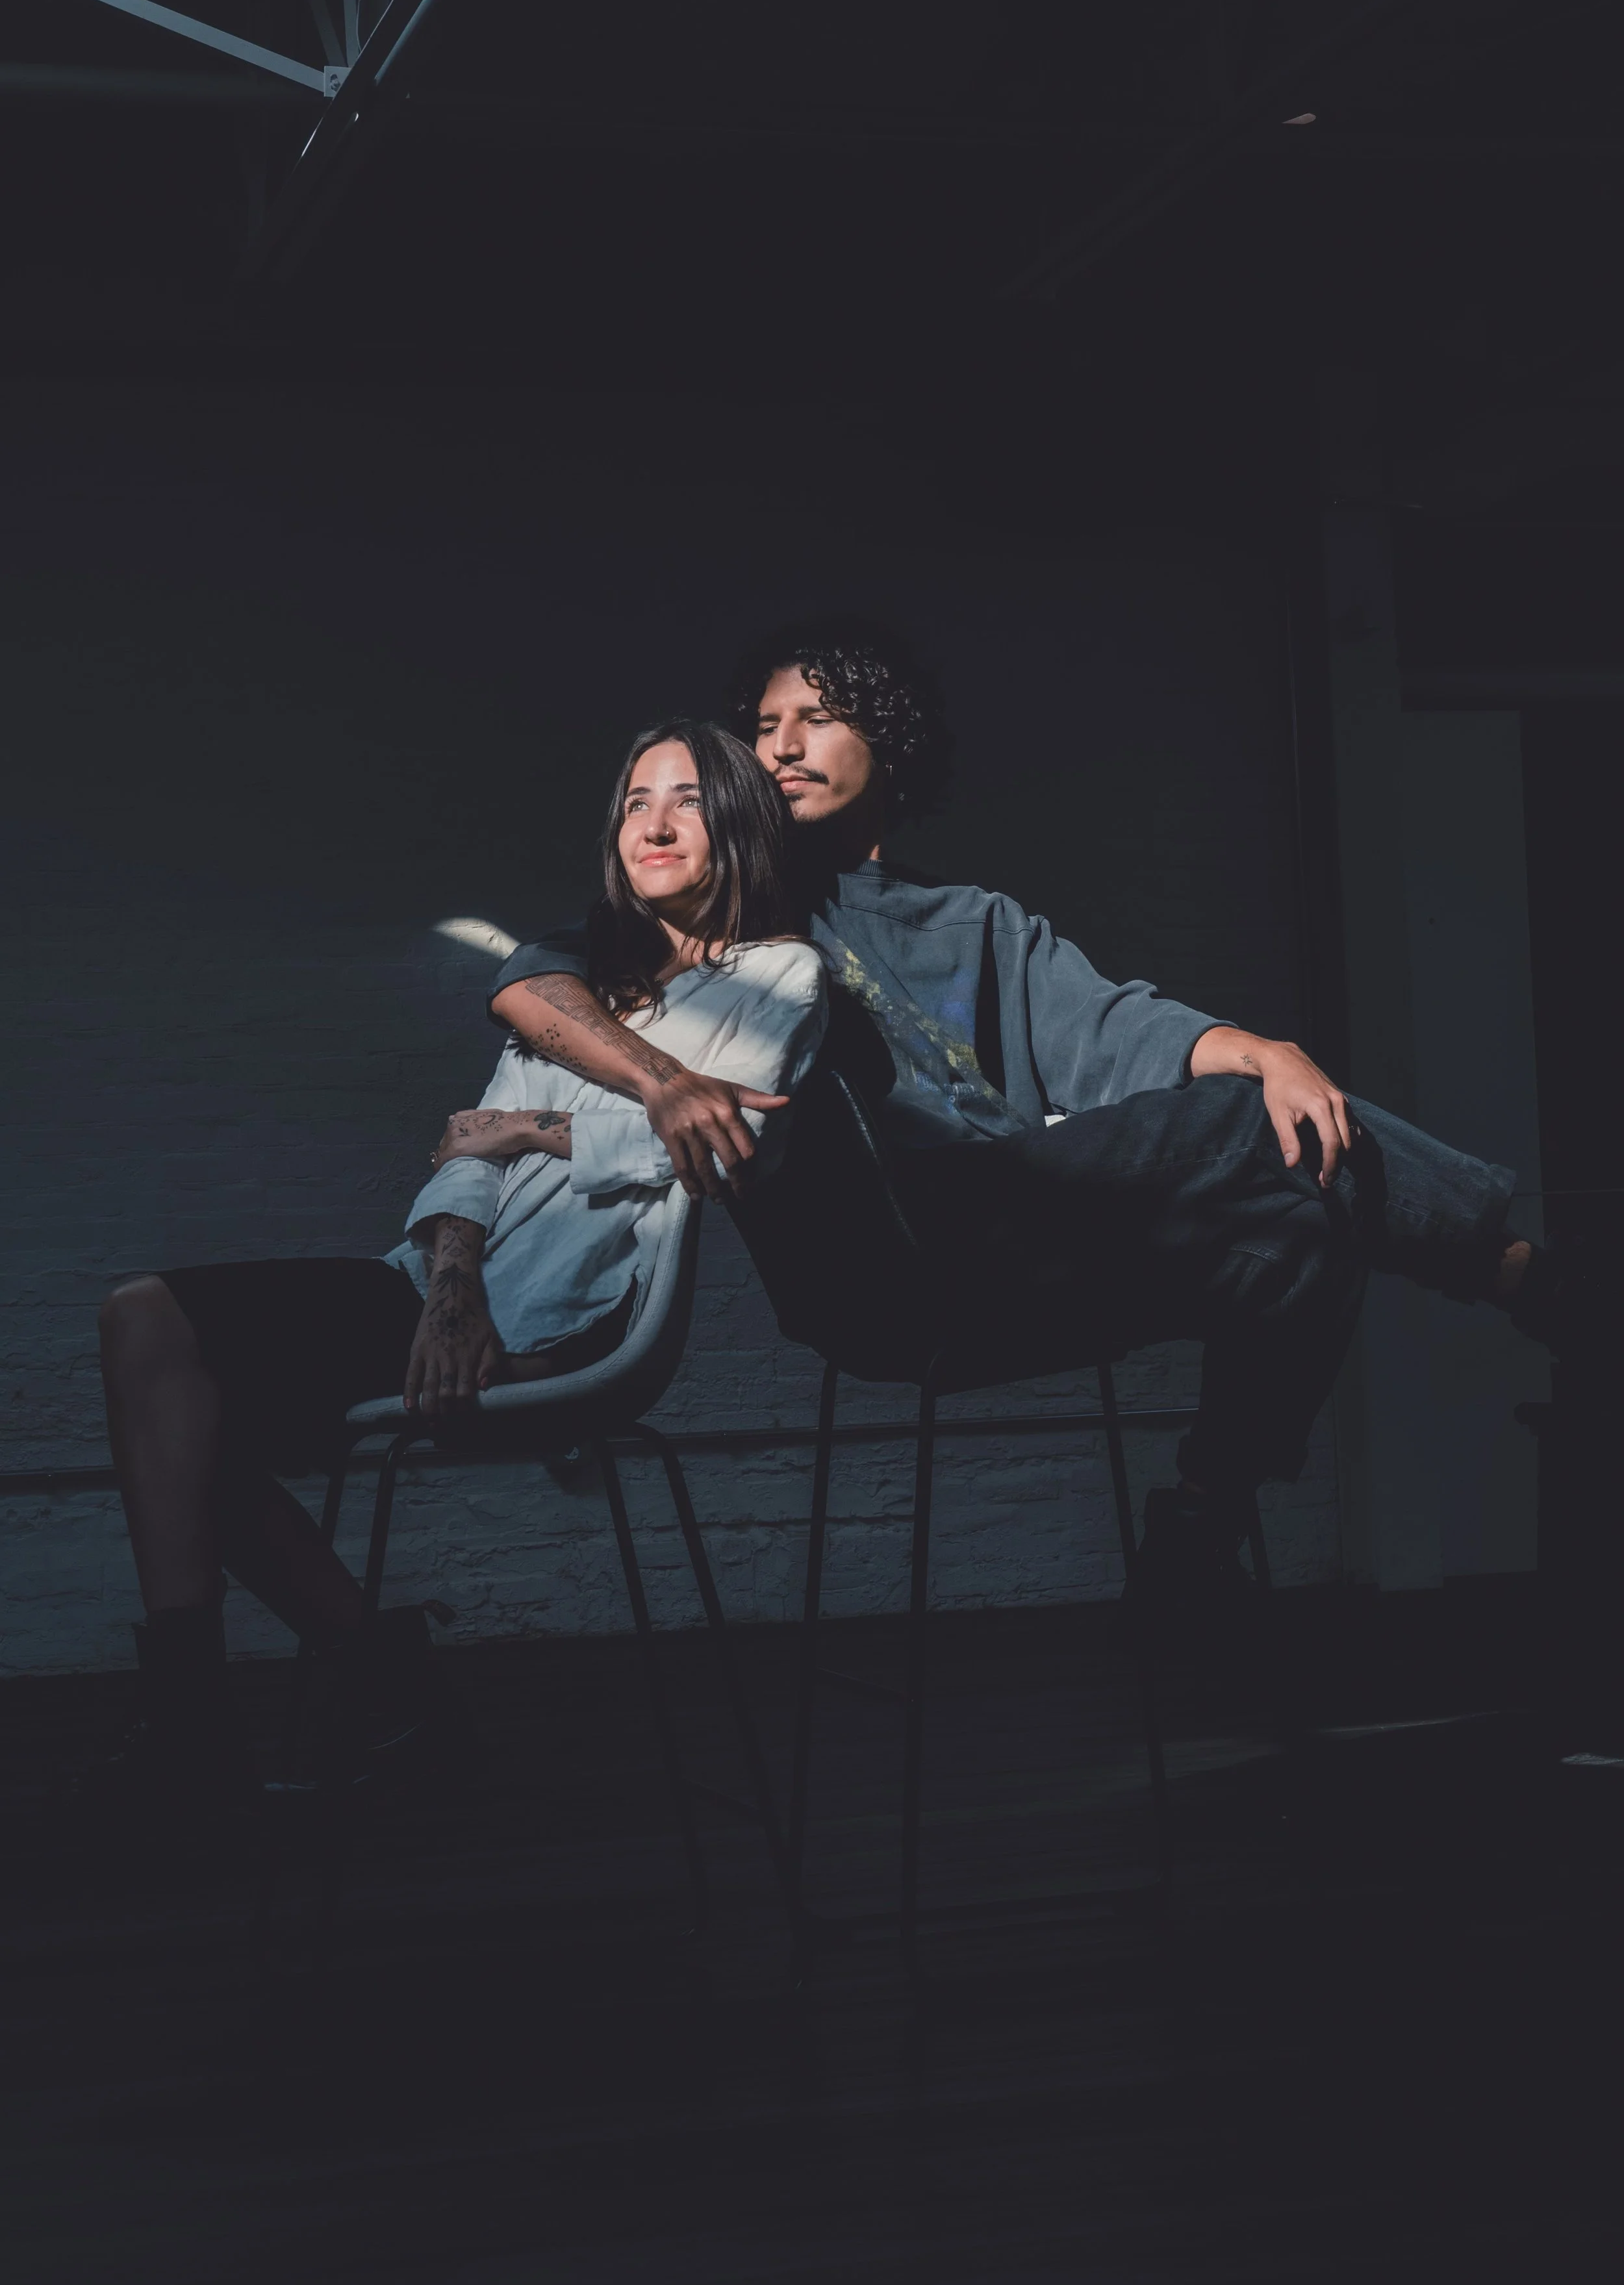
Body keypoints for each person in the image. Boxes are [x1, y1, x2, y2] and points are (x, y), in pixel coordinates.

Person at [486, 618, 1595, 1613]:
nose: (780, 746)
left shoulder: (977, 923)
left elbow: (1117, 1029)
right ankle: (1538, 1285)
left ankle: (1199, 1521)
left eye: (815, 718)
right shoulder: (730, 902)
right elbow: (531, 983)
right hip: (878, 1268)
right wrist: (662, 1079)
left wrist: (1270, 1051)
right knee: (1248, 1121)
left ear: (888, 741)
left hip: (1022, 1245)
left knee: (1302, 1227)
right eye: (765, 726)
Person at [94, 721, 826, 1823]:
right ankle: (270, 1710)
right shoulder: (584, 985)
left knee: (185, 1403)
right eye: (635, 801)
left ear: (738, 819)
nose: (656, 823)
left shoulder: (781, 975)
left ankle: (361, 1698)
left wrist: (525, 1128)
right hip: (441, 1286)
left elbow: (719, 1148)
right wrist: (451, 1287)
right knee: (148, 1330)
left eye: (687, 798)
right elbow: (461, 1159)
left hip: (574, 1323)